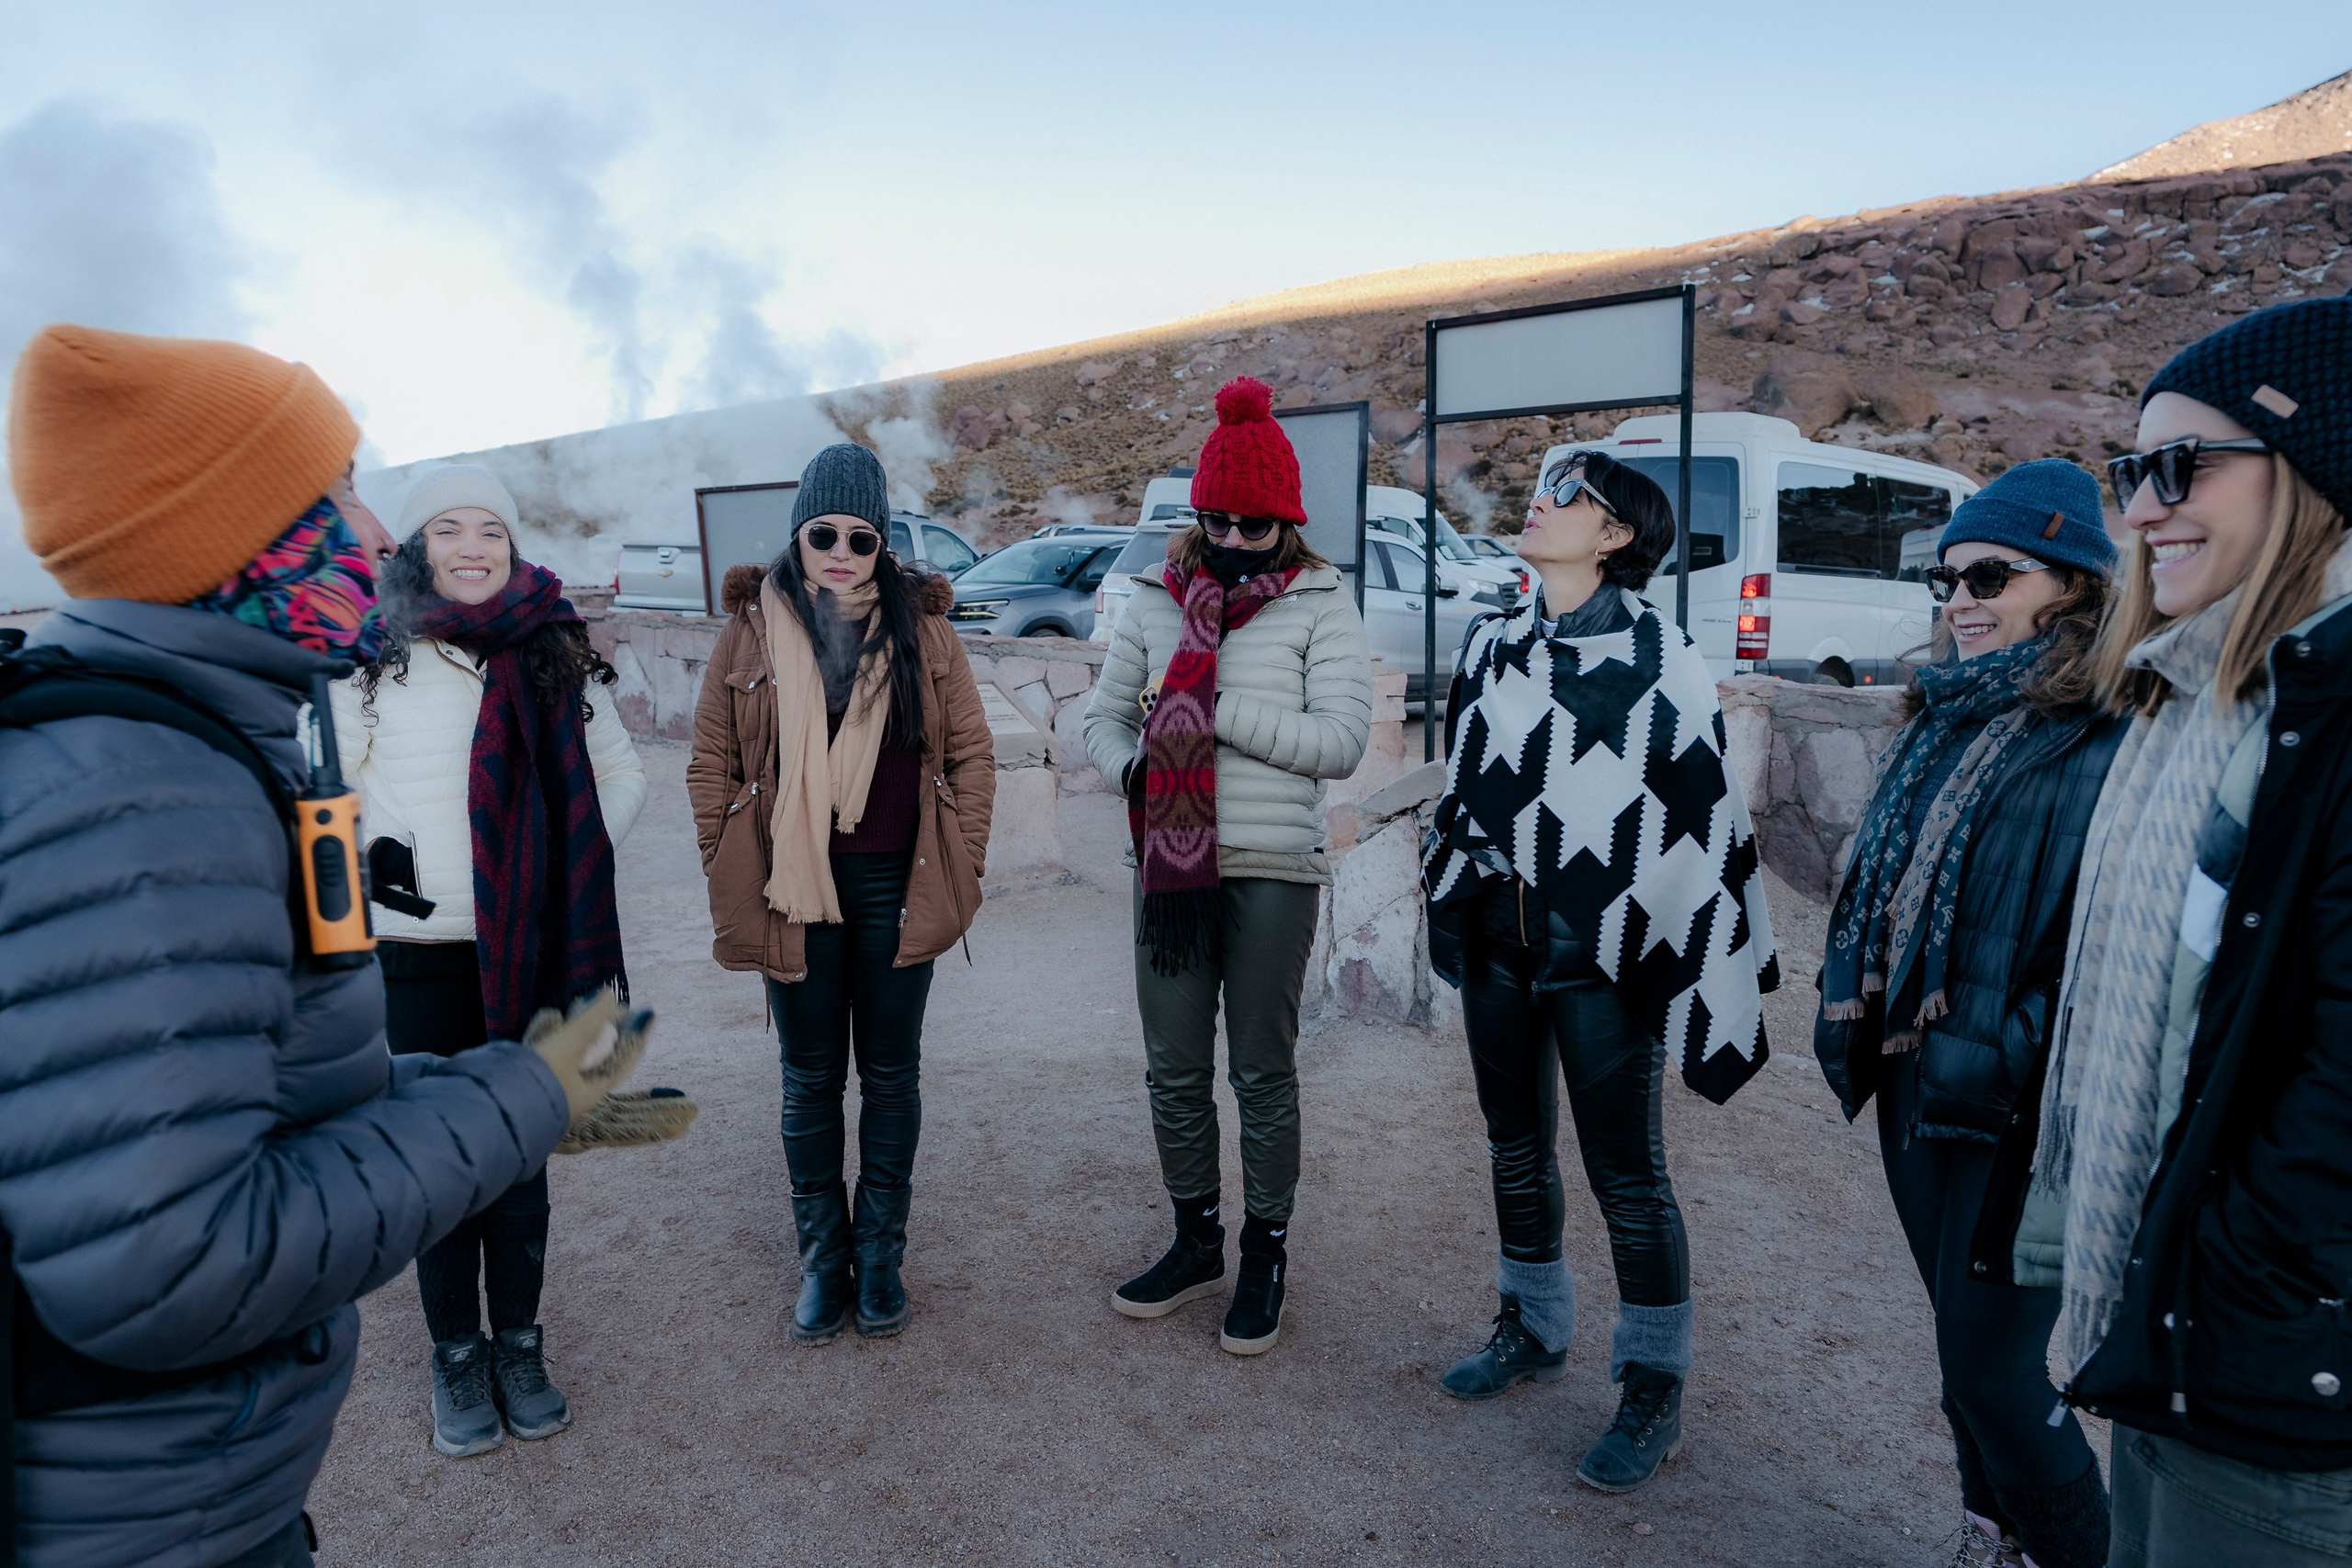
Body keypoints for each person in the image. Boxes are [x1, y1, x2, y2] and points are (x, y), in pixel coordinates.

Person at [0, 326, 662, 1568]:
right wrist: (529, 1083)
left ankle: (513, 1342)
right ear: (232, 530)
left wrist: (514, 1052)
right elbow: (171, 1256)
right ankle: (461, 1355)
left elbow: (277, 1117)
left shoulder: (167, 747)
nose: (374, 530)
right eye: (338, 489)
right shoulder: (140, 802)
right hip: (145, 1517)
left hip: (174, 1496)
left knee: (518, 1187)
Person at [2018, 298, 2352, 1564]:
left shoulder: (2327, 708)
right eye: (2129, 471)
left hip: (2264, 1365)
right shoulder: (2192, 698)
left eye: (2183, 465)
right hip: (2163, 1323)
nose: (2142, 507)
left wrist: (2232, 1277)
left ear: (2313, 469)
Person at [1421, 450, 1777, 1493]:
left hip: (1606, 953)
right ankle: (1529, 1327)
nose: (1540, 504)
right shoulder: (1492, 643)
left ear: (1616, 535)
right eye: (1543, 488)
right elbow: (1466, 784)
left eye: (1568, 497)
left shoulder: (1663, 658)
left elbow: (1696, 823)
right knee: (1513, 1146)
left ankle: (1651, 1387)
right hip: (1500, 934)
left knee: (1628, 1177)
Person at [1813, 461, 2122, 1568]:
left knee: (1994, 1372)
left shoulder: (2109, 730)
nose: (1959, 599)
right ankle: (1990, 1538)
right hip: (1917, 1072)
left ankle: (2079, 1553)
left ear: (2074, 584)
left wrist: (2013, 1048)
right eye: (1947, 579)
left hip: (2018, 1101)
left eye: (1990, 573)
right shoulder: (1940, 712)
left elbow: (2108, 942)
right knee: (1959, 1360)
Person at [332, 464, 647, 1458]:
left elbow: (620, 773)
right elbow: (327, 796)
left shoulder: (553, 649)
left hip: (532, 948)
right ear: (420, 546)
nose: (473, 547)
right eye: (450, 529)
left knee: (516, 1162)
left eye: (493, 533)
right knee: (439, 1168)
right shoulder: (372, 651)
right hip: (418, 956)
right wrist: (382, 875)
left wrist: (565, 860)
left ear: (513, 548)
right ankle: (455, 1353)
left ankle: (519, 1342)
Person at [1084, 376, 1371, 1356]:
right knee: (1171, 1069)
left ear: (1285, 522)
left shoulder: (1322, 603)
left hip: (1271, 868)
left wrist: (1206, 716)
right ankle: (1195, 1240)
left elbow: (1338, 743)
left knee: (1259, 1070)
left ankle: (1267, 1253)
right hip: (1169, 864)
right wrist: (1139, 767)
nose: (1233, 540)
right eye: (1217, 521)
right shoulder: (1152, 597)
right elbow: (1102, 716)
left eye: (1253, 526)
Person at [687, 443, 994, 1346]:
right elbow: (713, 760)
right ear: (798, 532)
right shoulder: (749, 632)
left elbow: (971, 756)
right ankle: (824, 1260)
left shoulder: (924, 634)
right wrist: (725, 855)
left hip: (900, 880)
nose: (840, 551)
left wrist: (963, 852)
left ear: (883, 547)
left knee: (891, 1075)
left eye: (862, 539)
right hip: (791, 887)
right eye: (824, 532)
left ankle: (882, 1255)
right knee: (811, 1076)